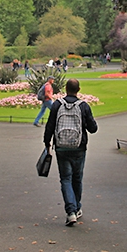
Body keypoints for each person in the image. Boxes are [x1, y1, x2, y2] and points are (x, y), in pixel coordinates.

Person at [44, 78, 98, 226]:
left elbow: (50, 125)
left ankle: (71, 212)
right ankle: (77, 207)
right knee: (77, 178)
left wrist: (47, 142)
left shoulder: (57, 105)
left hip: (61, 147)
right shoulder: (83, 106)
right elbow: (93, 129)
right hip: (79, 147)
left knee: (65, 179)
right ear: (78, 90)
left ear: (65, 89)